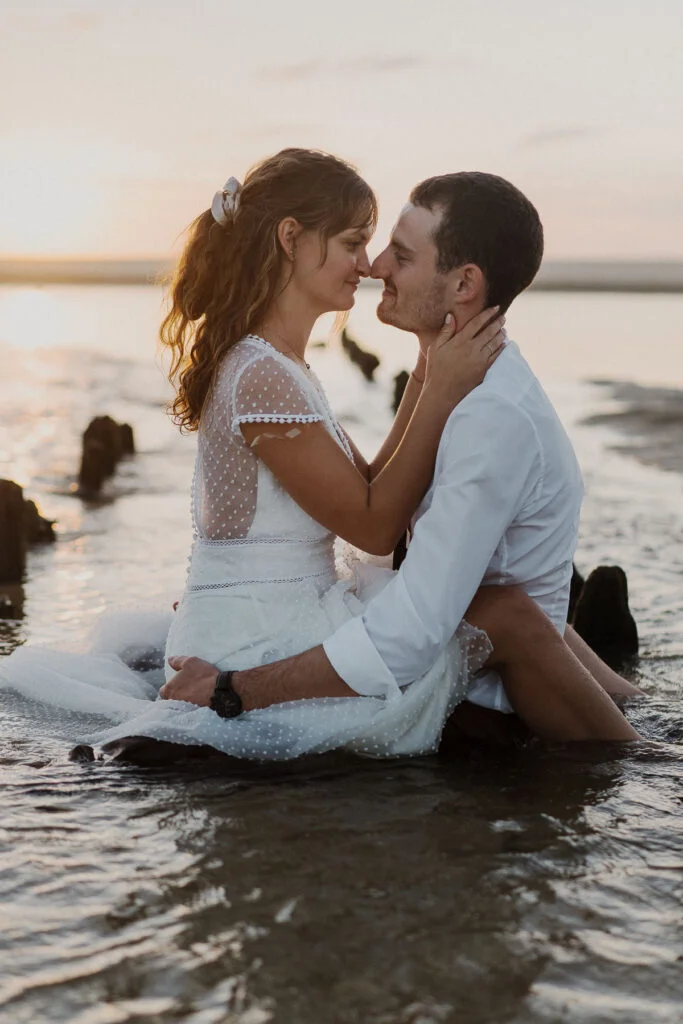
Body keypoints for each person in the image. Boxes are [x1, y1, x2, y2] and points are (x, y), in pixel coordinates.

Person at [0, 153, 639, 757]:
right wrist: (439, 389)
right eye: (355, 243)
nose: (369, 264)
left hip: (278, 610)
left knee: (501, 610)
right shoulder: (263, 375)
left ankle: (632, 712)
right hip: (259, 631)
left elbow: (364, 484)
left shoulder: (284, 367)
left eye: (382, 247)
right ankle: (639, 749)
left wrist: (424, 378)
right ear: (291, 241)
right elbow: (372, 524)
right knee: (504, 614)